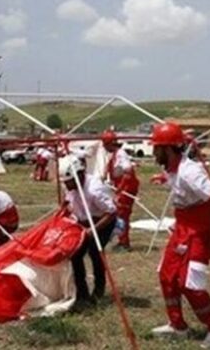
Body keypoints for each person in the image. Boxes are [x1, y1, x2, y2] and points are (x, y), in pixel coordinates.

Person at [150, 122, 210, 349]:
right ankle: (177, 325)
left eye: (157, 149)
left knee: (190, 283)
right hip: (182, 228)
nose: (154, 153)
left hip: (199, 232)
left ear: (168, 149)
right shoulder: (171, 169)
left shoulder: (190, 172)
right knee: (167, 275)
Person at [59, 155, 117, 308]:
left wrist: (92, 231)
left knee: (95, 251)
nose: (66, 185)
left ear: (78, 176)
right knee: (75, 254)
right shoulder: (72, 186)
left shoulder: (94, 189)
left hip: (102, 222)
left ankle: (98, 289)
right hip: (83, 221)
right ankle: (82, 294)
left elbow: (111, 212)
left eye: (68, 182)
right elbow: (68, 201)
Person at [101, 130, 140, 250]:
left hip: (127, 187)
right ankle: (121, 239)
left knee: (122, 214)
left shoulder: (121, 154)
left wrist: (121, 189)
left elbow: (128, 171)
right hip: (120, 186)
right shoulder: (113, 155)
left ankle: (124, 243)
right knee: (118, 213)